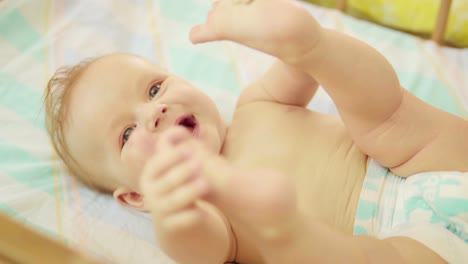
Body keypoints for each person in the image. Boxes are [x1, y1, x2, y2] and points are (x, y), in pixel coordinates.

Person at [44, 0, 468, 263]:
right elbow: (200, 250)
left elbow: (297, 74)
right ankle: (286, 232)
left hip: (426, 164)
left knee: (385, 118)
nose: (154, 111)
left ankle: (315, 41)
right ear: (137, 197)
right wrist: (175, 217)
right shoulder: (207, 207)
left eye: (155, 88)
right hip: (394, 246)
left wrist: (293, 50)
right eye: (126, 134)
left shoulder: (254, 105)